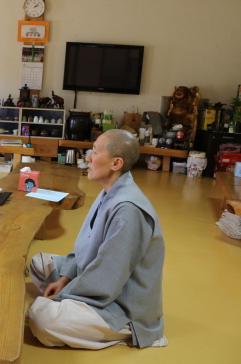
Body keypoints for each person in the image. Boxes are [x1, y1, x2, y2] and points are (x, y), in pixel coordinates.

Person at [28, 129, 167, 349]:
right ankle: (67, 307)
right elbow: (85, 247)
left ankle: (124, 331)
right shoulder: (110, 191)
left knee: (42, 319)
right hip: (99, 277)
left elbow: (107, 278)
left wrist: (62, 296)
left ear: (116, 163)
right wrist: (64, 279)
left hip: (121, 303)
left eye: (94, 151)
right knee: (39, 262)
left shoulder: (128, 210)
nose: (88, 157)